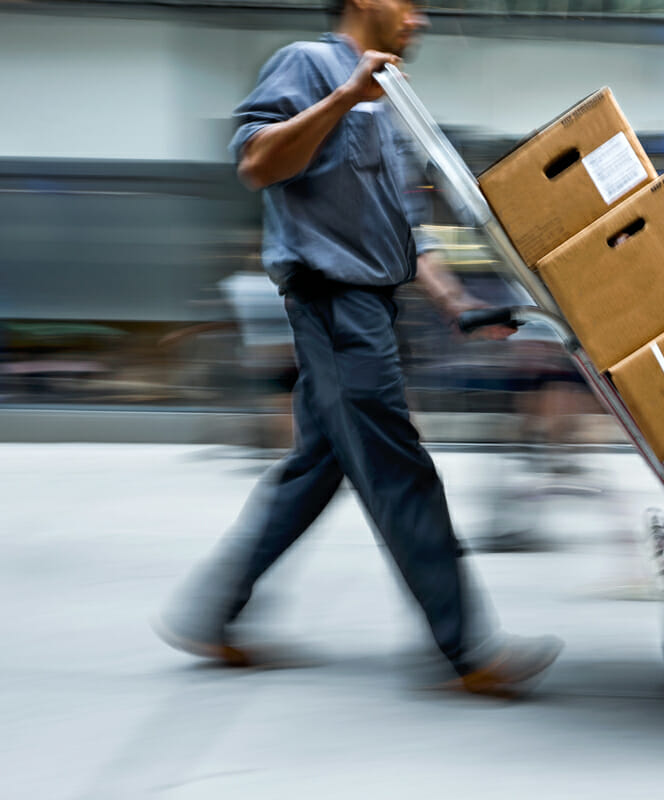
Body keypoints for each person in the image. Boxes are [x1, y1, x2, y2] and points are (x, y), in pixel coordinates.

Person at [155, 0, 562, 695]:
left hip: (369, 305)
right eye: (407, 3)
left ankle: (210, 615)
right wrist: (345, 97)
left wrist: (458, 304)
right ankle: (469, 647)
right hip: (332, 302)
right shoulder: (310, 64)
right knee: (398, 466)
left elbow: (404, 226)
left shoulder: (386, 99)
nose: (420, 19)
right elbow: (256, 162)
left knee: (315, 468)